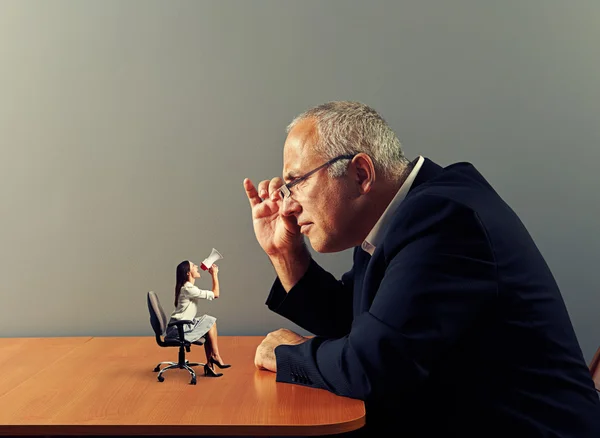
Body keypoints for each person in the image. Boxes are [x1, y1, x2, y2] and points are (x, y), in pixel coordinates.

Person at [242, 101, 600, 437]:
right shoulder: (403, 215)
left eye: (296, 182)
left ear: (361, 174)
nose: (287, 204)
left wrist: (286, 355)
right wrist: (284, 252)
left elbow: (372, 365)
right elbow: (355, 324)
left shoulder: (445, 220)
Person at [166, 260, 230, 377]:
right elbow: (216, 294)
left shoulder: (188, 288)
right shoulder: (188, 289)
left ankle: (210, 365)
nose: (196, 267)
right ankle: (215, 356)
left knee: (210, 323)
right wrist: (214, 274)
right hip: (178, 328)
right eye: (193, 266)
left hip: (181, 325)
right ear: (188, 273)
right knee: (210, 321)